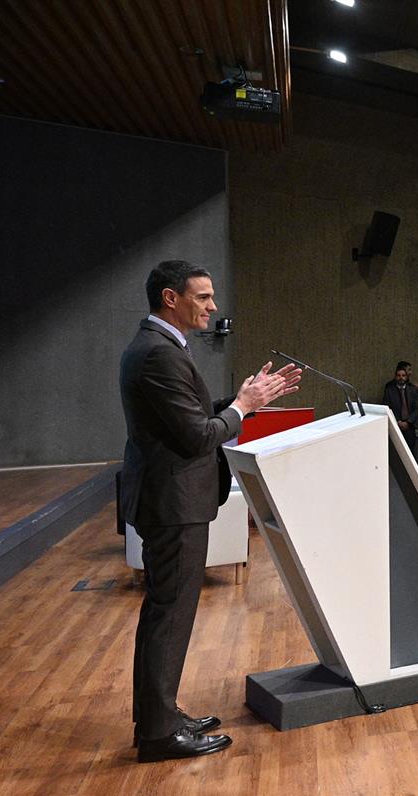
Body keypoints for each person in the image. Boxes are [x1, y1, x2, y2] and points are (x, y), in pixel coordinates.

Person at [120, 260, 301, 762]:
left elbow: (191, 415)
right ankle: (158, 734)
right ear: (170, 299)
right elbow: (198, 435)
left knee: (167, 614)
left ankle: (160, 715)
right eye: (203, 297)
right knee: (170, 617)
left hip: (169, 500)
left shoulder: (159, 348)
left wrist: (250, 400)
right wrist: (241, 407)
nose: (213, 306)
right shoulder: (158, 355)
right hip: (173, 504)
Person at [383, 361, 418, 456]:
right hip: (396, 426)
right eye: (398, 375)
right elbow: (387, 408)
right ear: (395, 376)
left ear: (406, 377)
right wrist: (398, 422)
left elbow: (416, 409)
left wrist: (408, 422)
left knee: (410, 453)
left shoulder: (412, 390)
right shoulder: (389, 390)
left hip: (410, 426)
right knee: (396, 454)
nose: (401, 378)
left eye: (403, 375)